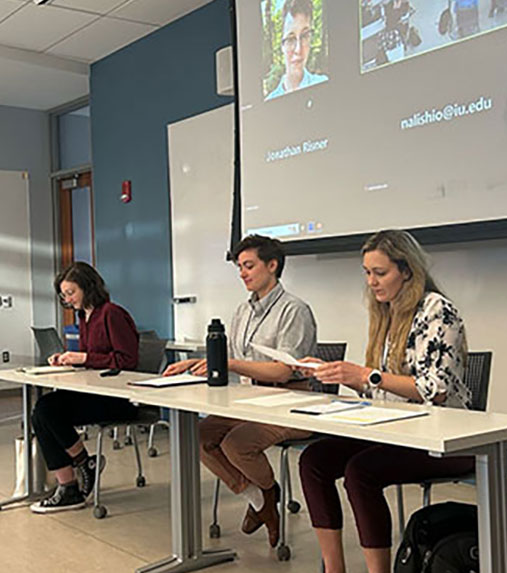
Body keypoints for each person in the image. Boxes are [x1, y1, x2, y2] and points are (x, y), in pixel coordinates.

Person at [287, 230, 472, 573]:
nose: (371, 281)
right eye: (366, 273)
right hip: (396, 431)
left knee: (360, 471)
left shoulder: (436, 310)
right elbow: (383, 389)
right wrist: (336, 374)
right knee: (314, 460)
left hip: (445, 438)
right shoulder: (387, 313)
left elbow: (434, 389)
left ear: (407, 271)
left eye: (380, 272)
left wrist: (364, 375)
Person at [164, 234, 317, 547]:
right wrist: (199, 362)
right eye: (240, 268)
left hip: (289, 402)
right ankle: (261, 498)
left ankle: (267, 494)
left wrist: (230, 364)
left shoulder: (294, 310)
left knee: (236, 444)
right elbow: (232, 359)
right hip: (248, 402)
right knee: (197, 436)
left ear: (272, 265)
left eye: (249, 266)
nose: (243, 274)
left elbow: (283, 370)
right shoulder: (241, 312)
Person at [30, 262, 139, 513]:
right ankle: (71, 481)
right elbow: (93, 358)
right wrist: (67, 360)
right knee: (42, 409)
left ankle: (77, 476)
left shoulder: (111, 313)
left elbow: (127, 361)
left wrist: (83, 358)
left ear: (88, 288)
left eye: (71, 293)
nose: (68, 300)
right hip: (96, 392)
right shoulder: (84, 315)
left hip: (119, 398)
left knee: (47, 411)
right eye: (64, 295)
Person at [265, 0, 328, 100]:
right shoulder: (270, 100)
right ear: (282, 46)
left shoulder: (325, 85)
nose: (298, 49)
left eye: (304, 36)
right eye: (290, 39)